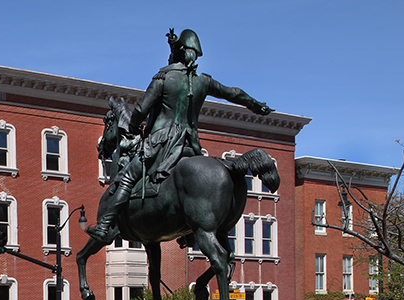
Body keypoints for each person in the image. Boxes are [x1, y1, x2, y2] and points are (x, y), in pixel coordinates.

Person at [87, 28, 273, 244]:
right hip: (190, 144)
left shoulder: (163, 78)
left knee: (126, 179)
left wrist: (135, 125)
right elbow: (233, 93)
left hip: (161, 143)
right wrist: (255, 105)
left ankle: (104, 225)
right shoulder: (203, 81)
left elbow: (139, 110)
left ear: (178, 52)